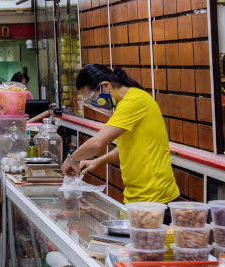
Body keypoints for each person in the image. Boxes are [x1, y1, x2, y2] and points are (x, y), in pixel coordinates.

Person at [62, 64, 179, 205]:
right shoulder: (124, 103)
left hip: (156, 198)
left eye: (92, 97)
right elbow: (128, 147)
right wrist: (98, 161)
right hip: (137, 197)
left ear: (105, 86)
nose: (94, 103)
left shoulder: (134, 101)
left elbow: (97, 142)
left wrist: (72, 159)